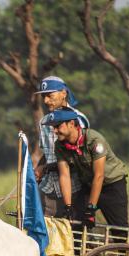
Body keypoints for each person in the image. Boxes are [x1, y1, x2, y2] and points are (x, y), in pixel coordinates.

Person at [43, 107, 129, 228]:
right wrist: (68, 206)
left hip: (111, 185)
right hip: (88, 185)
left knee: (119, 230)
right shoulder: (59, 145)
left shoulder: (94, 140)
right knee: (75, 222)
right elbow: (64, 175)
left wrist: (91, 208)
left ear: (71, 124)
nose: (55, 131)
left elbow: (99, 176)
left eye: (58, 126)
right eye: (53, 127)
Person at [34, 76, 90, 220]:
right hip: (48, 188)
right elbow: (48, 153)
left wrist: (48, 167)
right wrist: (39, 168)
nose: (46, 101)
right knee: (43, 232)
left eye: (49, 95)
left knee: (76, 235)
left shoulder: (78, 119)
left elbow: (80, 155)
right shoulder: (44, 122)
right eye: (43, 97)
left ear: (63, 93)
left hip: (74, 188)